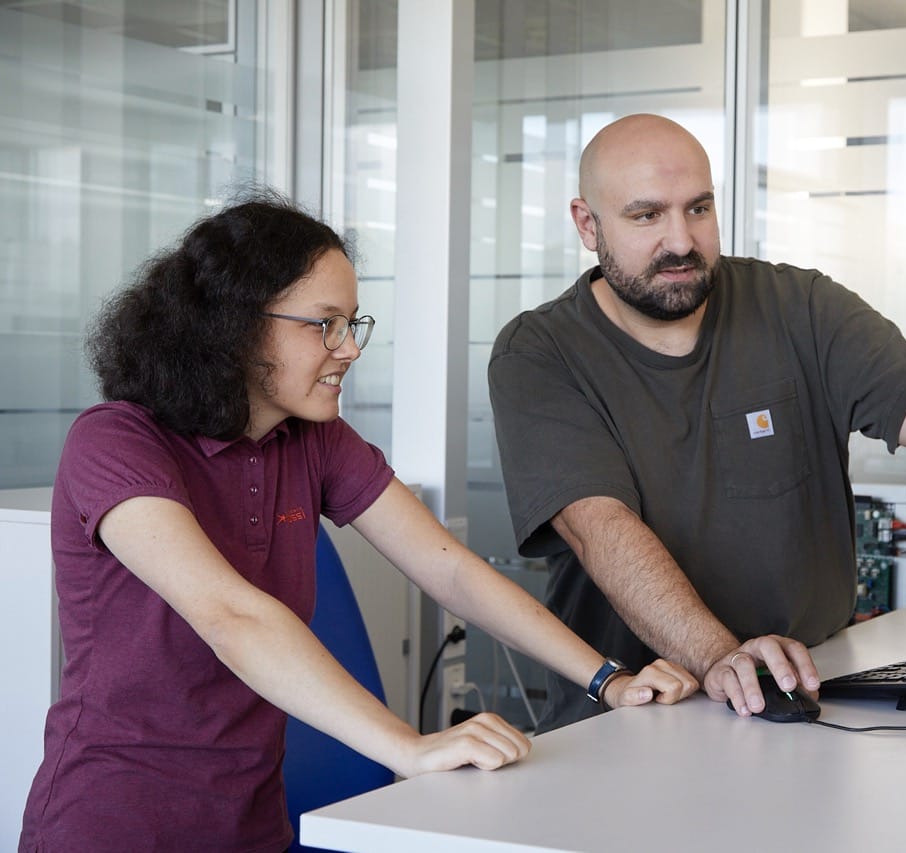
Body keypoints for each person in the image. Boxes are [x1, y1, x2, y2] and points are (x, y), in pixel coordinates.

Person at [19, 192, 698, 852]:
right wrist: (409, 748)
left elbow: (451, 571)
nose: (349, 348)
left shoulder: (312, 440)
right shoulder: (115, 441)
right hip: (113, 827)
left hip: (253, 827)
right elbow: (231, 617)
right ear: (235, 325)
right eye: (325, 325)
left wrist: (606, 679)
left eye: (352, 323)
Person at [488, 113, 906, 732]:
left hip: (811, 693)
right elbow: (599, 530)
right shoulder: (540, 353)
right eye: (646, 216)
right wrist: (722, 656)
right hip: (628, 717)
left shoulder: (801, 307)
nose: (681, 241)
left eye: (698, 208)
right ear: (588, 224)